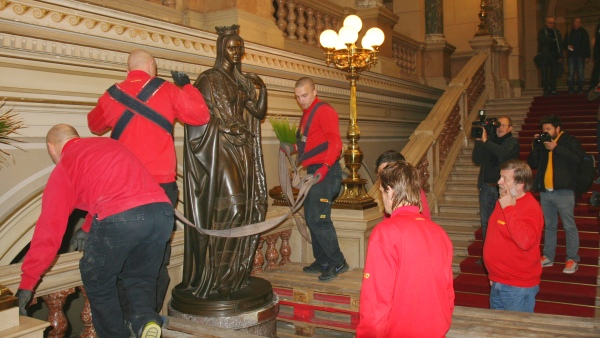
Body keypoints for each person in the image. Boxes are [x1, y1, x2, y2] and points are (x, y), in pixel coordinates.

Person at [16, 124, 173, 338]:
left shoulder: (65, 165)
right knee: (140, 276)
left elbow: (49, 231)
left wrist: (27, 282)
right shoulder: (108, 144)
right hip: (162, 212)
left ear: (51, 148)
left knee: (97, 279)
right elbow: (114, 186)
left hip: (122, 217)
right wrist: (88, 226)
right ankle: (145, 320)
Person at [87, 49, 210, 311]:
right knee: (155, 259)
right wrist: (187, 86)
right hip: (160, 187)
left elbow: (94, 125)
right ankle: (147, 319)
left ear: (128, 68)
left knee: (122, 255)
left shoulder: (111, 94)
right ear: (152, 67)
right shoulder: (167, 90)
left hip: (122, 187)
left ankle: (126, 320)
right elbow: (201, 115)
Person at [176, 25, 268, 297]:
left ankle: (232, 275)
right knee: (233, 209)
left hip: (243, 150)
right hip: (220, 149)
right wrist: (225, 127)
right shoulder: (208, 79)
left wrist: (262, 90)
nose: (237, 51)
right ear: (221, 48)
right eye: (232, 46)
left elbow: (258, 113)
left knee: (246, 210)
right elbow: (195, 120)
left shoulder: (241, 81)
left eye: (240, 47)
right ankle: (214, 276)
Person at [356, 160, 454, 337]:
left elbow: (377, 299)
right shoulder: (439, 232)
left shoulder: (386, 232)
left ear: (391, 191)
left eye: (382, 192)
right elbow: (448, 293)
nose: (382, 198)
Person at [280, 76, 347, 281]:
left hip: (326, 172)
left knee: (319, 219)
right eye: (298, 97)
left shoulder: (324, 111)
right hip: (314, 172)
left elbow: (335, 142)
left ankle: (338, 262)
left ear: (314, 92)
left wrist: (325, 168)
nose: (301, 100)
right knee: (311, 218)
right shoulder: (307, 115)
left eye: (305, 95)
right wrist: (290, 148)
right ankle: (323, 260)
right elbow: (306, 145)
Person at [483, 160, 544, 313]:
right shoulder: (503, 200)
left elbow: (526, 242)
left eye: (505, 179)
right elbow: (496, 238)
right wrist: (494, 274)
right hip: (499, 281)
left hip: (517, 286)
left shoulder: (531, 207)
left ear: (520, 184)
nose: (499, 182)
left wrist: (509, 209)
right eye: (500, 177)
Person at [527, 115, 583, 274]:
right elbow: (532, 163)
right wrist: (536, 147)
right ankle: (548, 256)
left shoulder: (569, 140)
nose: (545, 132)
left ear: (557, 129)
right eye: (543, 129)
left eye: (548, 129)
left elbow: (578, 159)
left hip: (564, 191)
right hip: (546, 192)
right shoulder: (543, 144)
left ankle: (572, 258)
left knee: (569, 226)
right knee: (550, 225)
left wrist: (556, 148)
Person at [472, 116, 520, 244]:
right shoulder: (489, 141)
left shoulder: (512, 142)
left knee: (502, 222)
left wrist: (486, 141)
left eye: (504, 125)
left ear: (510, 128)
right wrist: (479, 141)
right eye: (498, 125)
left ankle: (501, 253)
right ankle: (487, 253)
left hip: (503, 189)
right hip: (486, 186)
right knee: (486, 222)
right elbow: (477, 159)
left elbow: (502, 153)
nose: (500, 128)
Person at [373, 150, 430, 219]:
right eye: (381, 175)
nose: (384, 178)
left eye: (388, 173)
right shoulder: (387, 194)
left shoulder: (415, 193)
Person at [563, 17, 591, 94]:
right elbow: (564, 44)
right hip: (571, 55)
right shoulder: (569, 32)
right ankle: (571, 89)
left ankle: (580, 89)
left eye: (579, 22)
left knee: (580, 73)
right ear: (573, 23)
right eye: (576, 22)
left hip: (581, 55)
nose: (578, 23)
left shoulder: (584, 32)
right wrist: (568, 46)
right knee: (571, 74)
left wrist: (588, 56)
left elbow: (587, 44)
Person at [538, 17, 563, 96]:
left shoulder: (557, 32)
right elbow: (542, 40)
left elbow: (560, 44)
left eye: (553, 23)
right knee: (545, 73)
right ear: (546, 23)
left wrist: (560, 56)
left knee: (554, 73)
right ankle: (546, 90)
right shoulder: (542, 31)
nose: (552, 24)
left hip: (554, 55)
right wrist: (553, 40)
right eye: (550, 23)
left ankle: (553, 89)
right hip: (544, 55)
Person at [589, 23, 600, 92]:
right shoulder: (598, 27)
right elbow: (596, 43)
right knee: (596, 72)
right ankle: (592, 88)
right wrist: (595, 55)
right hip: (598, 54)